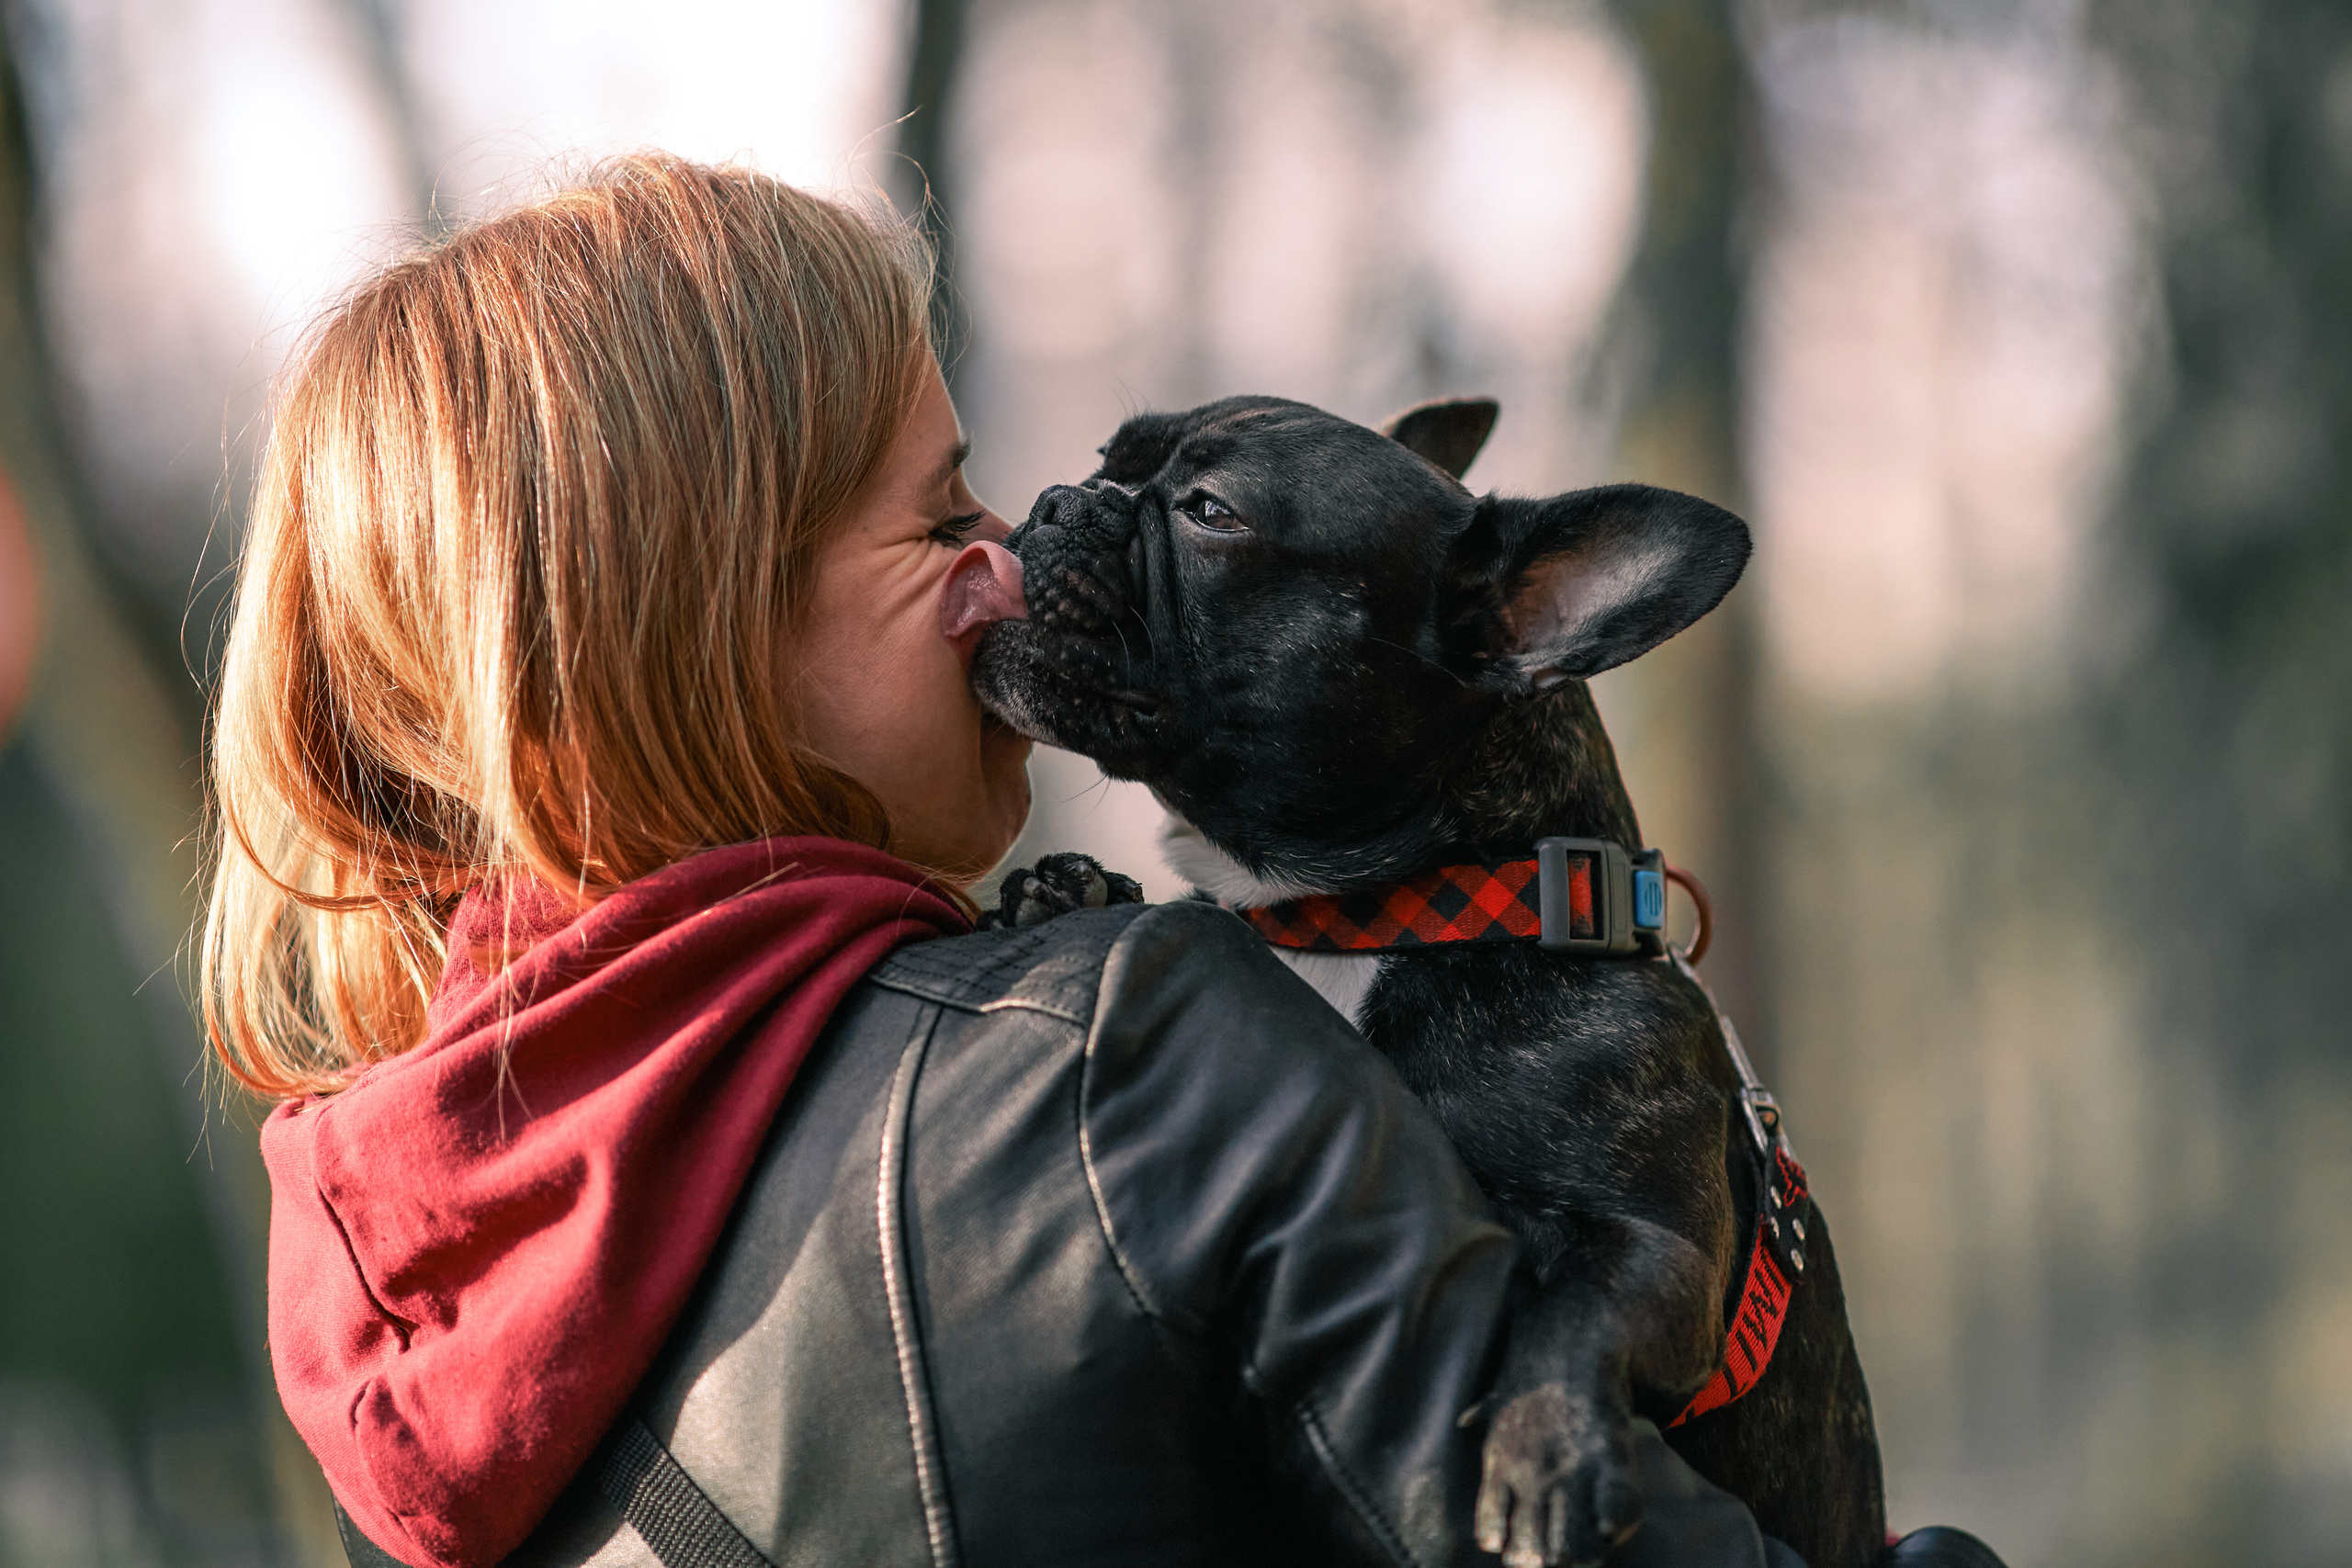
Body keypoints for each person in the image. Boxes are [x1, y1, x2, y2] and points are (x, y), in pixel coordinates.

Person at [201, 154, 1774, 1568]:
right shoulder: (1126, 1060)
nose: (1007, 557)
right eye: (937, 514)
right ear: (682, 633)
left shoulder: (390, 1268)